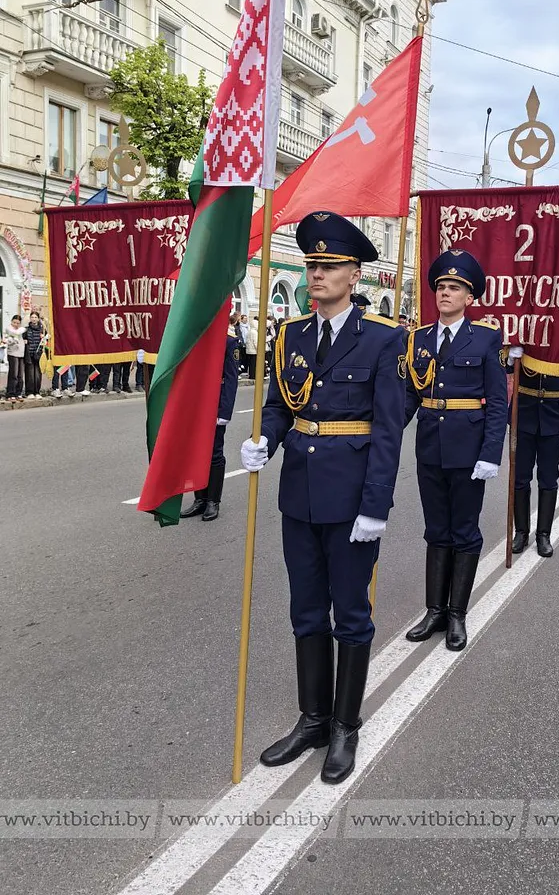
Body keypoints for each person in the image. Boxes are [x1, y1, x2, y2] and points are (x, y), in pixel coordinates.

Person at [239, 211, 406, 785]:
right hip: (299, 498)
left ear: (354, 274)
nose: (316, 274)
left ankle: (344, 727)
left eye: (329, 266)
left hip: (353, 498)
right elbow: (282, 403)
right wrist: (264, 438)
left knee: (350, 614)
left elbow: (387, 430)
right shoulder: (291, 335)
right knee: (306, 610)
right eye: (311, 265)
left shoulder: (384, 339)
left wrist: (376, 506)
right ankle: (312, 719)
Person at [402, 250, 507, 652]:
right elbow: (410, 395)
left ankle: (458, 613)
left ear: (469, 297)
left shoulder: (485, 339)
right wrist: (385, 432)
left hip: (469, 450)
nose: (445, 292)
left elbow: (497, 401)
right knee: (435, 530)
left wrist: (490, 453)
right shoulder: (419, 339)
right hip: (429, 447)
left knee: (464, 531)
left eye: (455, 287)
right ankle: (435, 610)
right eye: (441, 287)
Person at [509, 350, 559, 558]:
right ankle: (521, 532)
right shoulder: (525, 341)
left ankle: (543, 535)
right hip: (523, 416)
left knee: (548, 479)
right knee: (520, 478)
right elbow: (501, 368)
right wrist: (511, 359)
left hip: (553, 418)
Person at [180, 314, 241, 522]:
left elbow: (231, 380)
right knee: (196, 452)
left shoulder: (229, 341)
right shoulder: (193, 340)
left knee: (214, 453)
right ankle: (200, 499)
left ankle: (213, 501)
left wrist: (224, 412)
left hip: (214, 407)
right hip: (194, 406)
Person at [22, 311, 46, 398]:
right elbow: (22, 340)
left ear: (38, 319)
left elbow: (46, 341)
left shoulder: (42, 330)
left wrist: (45, 339)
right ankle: (29, 392)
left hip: (39, 354)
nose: (34, 319)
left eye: (35, 317)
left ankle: (37, 392)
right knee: (30, 374)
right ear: (30, 318)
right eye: (32, 317)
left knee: (38, 374)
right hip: (29, 355)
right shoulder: (26, 329)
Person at [3, 314, 26, 402]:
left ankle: (18, 393)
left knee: (20, 375)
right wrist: (12, 340)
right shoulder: (8, 329)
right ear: (11, 321)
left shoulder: (21, 329)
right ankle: (10, 393)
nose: (15, 324)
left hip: (21, 354)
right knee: (14, 374)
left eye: (18, 323)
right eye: (14, 322)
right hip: (12, 354)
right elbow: (6, 340)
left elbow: (21, 331)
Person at [245, 315, 259, 380]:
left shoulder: (249, 331)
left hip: (248, 350)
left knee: (250, 364)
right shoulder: (255, 333)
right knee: (254, 364)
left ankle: (250, 374)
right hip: (254, 350)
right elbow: (256, 342)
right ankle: (253, 375)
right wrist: (259, 350)